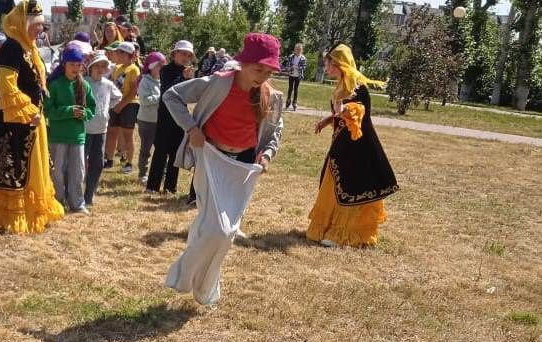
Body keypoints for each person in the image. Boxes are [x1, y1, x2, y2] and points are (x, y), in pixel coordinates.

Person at [163, 33, 285, 305]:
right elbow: (172, 96)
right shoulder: (217, 83)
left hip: (242, 166)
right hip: (211, 157)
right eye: (258, 69)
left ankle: (205, 289)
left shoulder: (271, 97)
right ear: (243, 63)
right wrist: (192, 128)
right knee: (216, 229)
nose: (263, 76)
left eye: (269, 71)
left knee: (226, 232)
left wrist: (266, 154)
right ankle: (183, 277)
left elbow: (276, 130)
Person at [0, 0, 65, 233]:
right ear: (22, 23)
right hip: (13, 121)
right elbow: (6, 84)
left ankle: (33, 210)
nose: (41, 29)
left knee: (31, 167)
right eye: (37, 25)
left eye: (42, 25)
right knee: (16, 167)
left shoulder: (29, 47)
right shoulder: (12, 47)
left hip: (30, 120)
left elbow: (35, 80)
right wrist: (28, 110)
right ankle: (12, 218)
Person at [307, 44, 399, 248]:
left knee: (352, 184)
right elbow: (340, 112)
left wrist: (345, 109)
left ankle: (344, 234)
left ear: (338, 63)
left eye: (328, 63)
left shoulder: (358, 86)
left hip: (357, 146)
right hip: (341, 142)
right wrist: (328, 120)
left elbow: (359, 110)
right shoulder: (341, 84)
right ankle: (327, 227)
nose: (327, 67)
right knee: (333, 181)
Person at [45, 46, 96, 214]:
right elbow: (48, 110)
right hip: (58, 136)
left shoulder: (84, 85)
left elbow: (91, 109)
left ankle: (77, 203)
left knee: (78, 171)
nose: (76, 68)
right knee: (57, 171)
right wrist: (68, 111)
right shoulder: (55, 85)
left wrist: (84, 113)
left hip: (77, 136)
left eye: (79, 64)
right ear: (64, 64)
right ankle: (57, 201)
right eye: (72, 64)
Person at [145, 40, 196, 194]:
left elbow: (190, 95)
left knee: (176, 152)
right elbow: (169, 90)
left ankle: (170, 187)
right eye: (182, 53)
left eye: (188, 55)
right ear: (174, 54)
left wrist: (189, 79)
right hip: (166, 115)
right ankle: (152, 186)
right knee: (161, 150)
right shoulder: (166, 70)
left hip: (180, 116)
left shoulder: (188, 72)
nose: (185, 57)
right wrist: (184, 78)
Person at [83, 52, 122, 207]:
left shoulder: (107, 84)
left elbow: (117, 97)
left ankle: (90, 193)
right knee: (81, 163)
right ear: (91, 67)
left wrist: (106, 110)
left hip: (101, 129)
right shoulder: (83, 82)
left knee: (98, 163)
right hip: (85, 129)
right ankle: (77, 193)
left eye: (104, 66)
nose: (100, 69)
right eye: (97, 65)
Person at [103, 42, 140, 174]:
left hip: (129, 105)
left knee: (127, 135)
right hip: (115, 105)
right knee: (112, 133)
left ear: (126, 54)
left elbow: (133, 91)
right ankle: (109, 159)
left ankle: (129, 163)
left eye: (119, 52)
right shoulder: (117, 67)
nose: (116, 54)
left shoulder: (134, 69)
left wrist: (121, 105)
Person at [136, 52, 166, 184]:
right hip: (147, 121)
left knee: (161, 148)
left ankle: (161, 172)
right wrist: (161, 97)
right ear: (152, 67)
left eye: (163, 65)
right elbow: (144, 100)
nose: (161, 68)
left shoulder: (161, 81)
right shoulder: (145, 81)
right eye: (159, 65)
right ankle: (143, 173)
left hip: (159, 120)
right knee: (146, 148)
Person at [284, 43, 307, 110]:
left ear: (301, 50)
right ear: (295, 49)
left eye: (299, 49)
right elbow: (288, 65)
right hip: (291, 74)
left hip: (298, 75)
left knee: (296, 89)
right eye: (297, 49)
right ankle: (288, 102)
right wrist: (290, 67)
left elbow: (304, 67)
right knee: (290, 89)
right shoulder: (291, 56)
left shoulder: (303, 58)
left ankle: (294, 103)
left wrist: (297, 67)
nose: (298, 51)